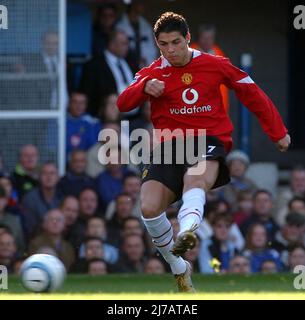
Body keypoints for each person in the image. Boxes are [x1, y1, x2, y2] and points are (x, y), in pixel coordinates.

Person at [117, 12, 290, 292]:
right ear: (157, 44)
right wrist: (143, 87)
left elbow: (252, 92)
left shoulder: (214, 64)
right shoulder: (152, 71)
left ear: (187, 38)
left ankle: (187, 231)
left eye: (175, 42)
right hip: (169, 146)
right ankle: (179, 266)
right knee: (148, 208)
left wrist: (278, 132)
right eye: (163, 44)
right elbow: (123, 103)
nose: (170, 50)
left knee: (194, 181)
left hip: (208, 139)